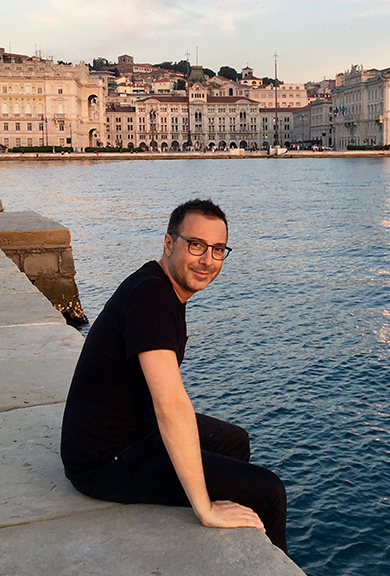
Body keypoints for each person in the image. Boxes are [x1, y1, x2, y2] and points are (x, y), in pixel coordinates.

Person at [61, 199, 288, 553]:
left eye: (217, 249)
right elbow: (170, 406)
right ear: (169, 243)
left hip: (133, 431)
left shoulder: (159, 287)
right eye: (196, 245)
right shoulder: (151, 298)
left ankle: (229, 536)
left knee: (234, 441)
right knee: (269, 492)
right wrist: (205, 509)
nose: (207, 260)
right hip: (104, 460)